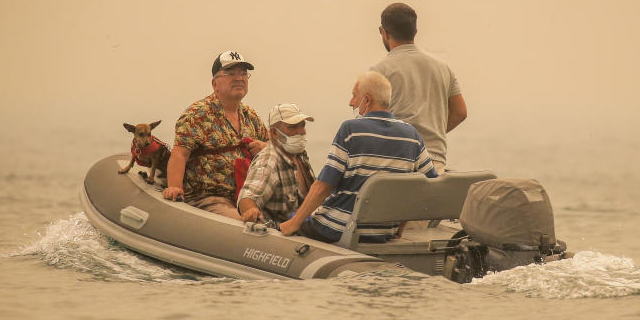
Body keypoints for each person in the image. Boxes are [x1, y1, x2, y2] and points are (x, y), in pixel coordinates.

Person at [280, 71, 437, 244]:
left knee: (286, 221)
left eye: (354, 96)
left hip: (337, 229)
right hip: (382, 233)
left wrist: (293, 224)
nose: (351, 102)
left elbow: (323, 186)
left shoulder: (351, 130)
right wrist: (399, 227)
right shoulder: (411, 135)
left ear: (367, 100)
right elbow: (426, 187)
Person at [163, 51, 268, 219]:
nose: (239, 78)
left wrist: (264, 147)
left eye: (243, 74)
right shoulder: (197, 114)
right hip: (210, 199)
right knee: (247, 224)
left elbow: (272, 145)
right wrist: (174, 187)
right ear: (215, 84)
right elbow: (180, 154)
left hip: (247, 196)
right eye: (231, 73)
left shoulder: (250, 115)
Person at [370, 2, 467, 174]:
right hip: (434, 162)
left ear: (384, 33)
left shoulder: (379, 72)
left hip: (395, 161)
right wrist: (432, 131)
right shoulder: (443, 68)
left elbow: (368, 121)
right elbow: (460, 112)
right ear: (415, 31)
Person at [236, 103, 316, 224]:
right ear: (274, 133)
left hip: (306, 225)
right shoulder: (269, 160)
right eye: (293, 127)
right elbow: (248, 195)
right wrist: (250, 210)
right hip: (283, 235)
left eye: (302, 125)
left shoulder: (299, 154)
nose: (301, 131)